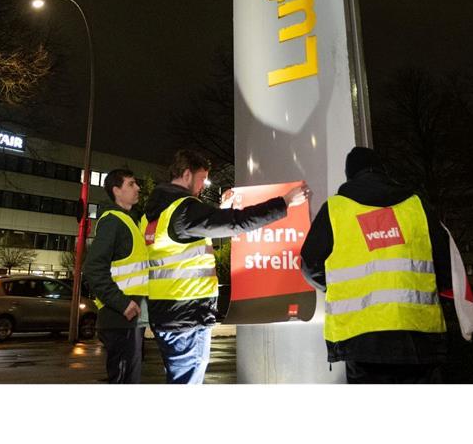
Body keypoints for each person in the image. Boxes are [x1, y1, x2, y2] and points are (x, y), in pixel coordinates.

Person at [142, 149, 310, 384]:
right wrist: (285, 202)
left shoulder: (156, 213)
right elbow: (235, 223)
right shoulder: (184, 209)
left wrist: (220, 210)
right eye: (201, 179)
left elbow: (187, 238)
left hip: (166, 314)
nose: (202, 187)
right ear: (187, 174)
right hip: (187, 317)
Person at [300, 146, 459, 383]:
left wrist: (337, 287)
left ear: (350, 175)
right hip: (419, 336)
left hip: (362, 339)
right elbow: (447, 265)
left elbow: (310, 264)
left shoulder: (336, 209)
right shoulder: (417, 206)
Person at [84, 168, 149, 383]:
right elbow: (93, 268)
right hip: (120, 318)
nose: (137, 187)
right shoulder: (113, 221)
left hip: (129, 318)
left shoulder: (130, 221)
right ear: (116, 191)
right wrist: (122, 303)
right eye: (131, 184)